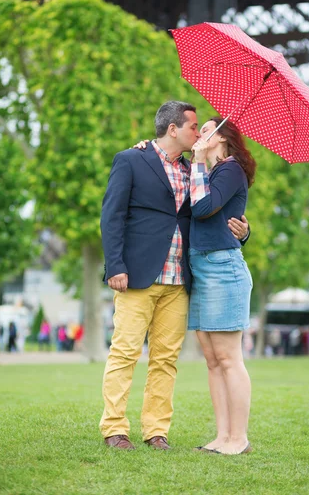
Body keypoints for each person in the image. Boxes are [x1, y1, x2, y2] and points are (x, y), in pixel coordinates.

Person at [99, 101, 249, 451]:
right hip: (136, 276)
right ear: (172, 129)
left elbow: (214, 212)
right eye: (193, 127)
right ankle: (115, 429)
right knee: (124, 354)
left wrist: (243, 230)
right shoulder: (131, 159)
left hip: (180, 281)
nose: (198, 133)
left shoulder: (193, 170)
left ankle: (156, 431)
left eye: (202, 128)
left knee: (165, 360)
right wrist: (115, 266)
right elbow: (112, 216)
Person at [188, 116, 255, 455]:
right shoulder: (209, 171)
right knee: (213, 360)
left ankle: (239, 438)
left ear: (222, 137)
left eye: (205, 129)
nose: (199, 134)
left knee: (229, 358)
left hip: (222, 269)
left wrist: (198, 162)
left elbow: (202, 208)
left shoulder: (229, 170)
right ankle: (222, 436)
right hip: (201, 267)